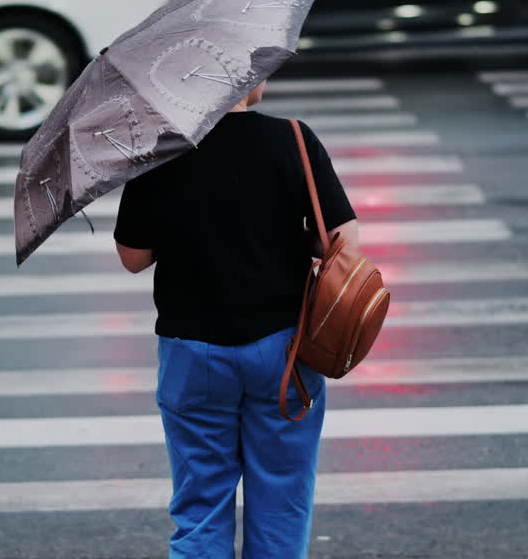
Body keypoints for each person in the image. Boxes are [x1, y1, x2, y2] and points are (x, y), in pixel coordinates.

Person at [114, 78, 359, 559]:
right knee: (282, 502)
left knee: (200, 505)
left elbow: (132, 257)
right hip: (284, 349)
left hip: (192, 349)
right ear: (251, 76)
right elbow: (343, 241)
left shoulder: (160, 151)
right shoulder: (293, 138)